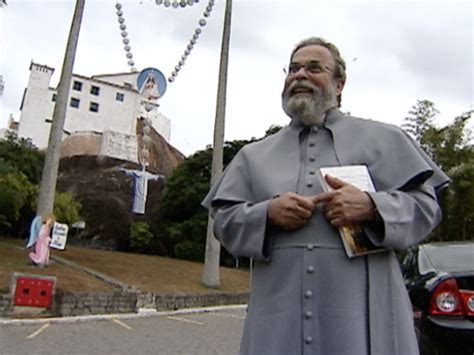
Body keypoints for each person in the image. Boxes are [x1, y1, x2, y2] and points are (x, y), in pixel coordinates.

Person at [202, 37, 449, 355]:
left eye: (314, 68)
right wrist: (266, 213)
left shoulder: (386, 138)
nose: (299, 75)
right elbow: (224, 221)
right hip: (277, 320)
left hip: (362, 322)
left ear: (339, 83)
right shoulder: (253, 155)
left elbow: (427, 207)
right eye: (293, 69)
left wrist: (372, 206)